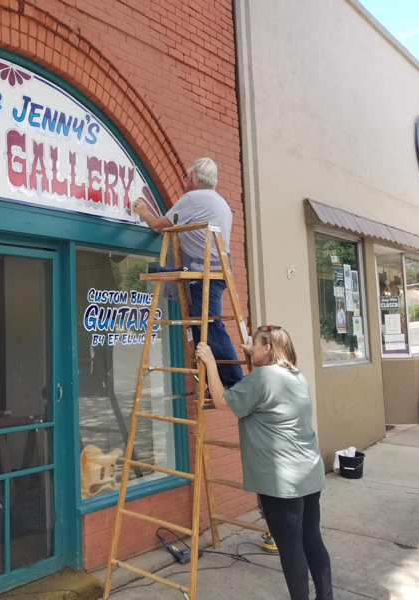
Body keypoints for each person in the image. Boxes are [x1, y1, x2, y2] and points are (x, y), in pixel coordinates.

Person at [196, 326, 333, 600]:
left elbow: (222, 401)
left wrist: (210, 361)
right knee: (311, 540)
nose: (250, 348)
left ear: (268, 348)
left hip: (281, 480)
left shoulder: (262, 378)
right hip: (309, 472)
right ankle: (326, 596)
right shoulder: (296, 375)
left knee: (291, 548)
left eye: (255, 345)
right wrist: (252, 353)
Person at [133, 157, 243, 388]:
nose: (184, 182)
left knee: (211, 328)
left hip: (204, 274)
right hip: (216, 272)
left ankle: (234, 384)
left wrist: (143, 211)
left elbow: (158, 225)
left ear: (192, 177)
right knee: (204, 327)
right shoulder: (220, 202)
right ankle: (214, 384)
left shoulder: (193, 198)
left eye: (185, 177)